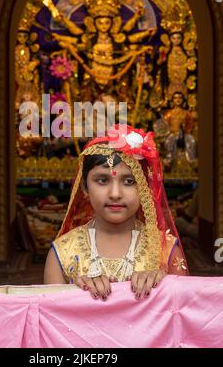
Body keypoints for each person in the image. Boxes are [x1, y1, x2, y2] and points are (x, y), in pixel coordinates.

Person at [44, 124, 188, 301]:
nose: (115, 194)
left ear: (145, 187)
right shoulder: (62, 253)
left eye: (128, 181)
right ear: (85, 187)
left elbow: (182, 316)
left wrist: (165, 285)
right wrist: (75, 295)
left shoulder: (167, 251)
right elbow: (53, 320)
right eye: (102, 180)